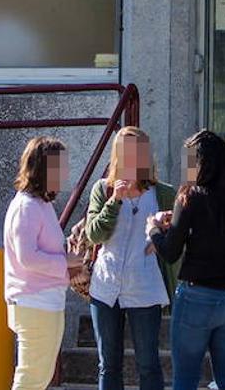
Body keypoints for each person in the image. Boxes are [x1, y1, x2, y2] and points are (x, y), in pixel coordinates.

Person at [148, 130, 225, 390]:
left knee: (186, 379)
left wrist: (152, 229)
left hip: (198, 295)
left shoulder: (190, 197)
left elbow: (171, 252)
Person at [85, 126, 180, 390]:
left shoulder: (163, 193)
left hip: (145, 287)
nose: (131, 157)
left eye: (137, 151)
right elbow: (94, 235)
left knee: (148, 364)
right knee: (108, 365)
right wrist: (115, 201)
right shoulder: (103, 189)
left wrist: (161, 233)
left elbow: (179, 238)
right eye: (124, 151)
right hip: (106, 287)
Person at [3, 135, 82, 390]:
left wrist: (67, 250)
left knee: (38, 376)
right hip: (34, 302)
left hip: (43, 302)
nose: (66, 172)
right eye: (61, 167)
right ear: (44, 169)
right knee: (31, 378)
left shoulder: (40, 204)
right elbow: (28, 257)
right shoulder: (27, 206)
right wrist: (65, 261)